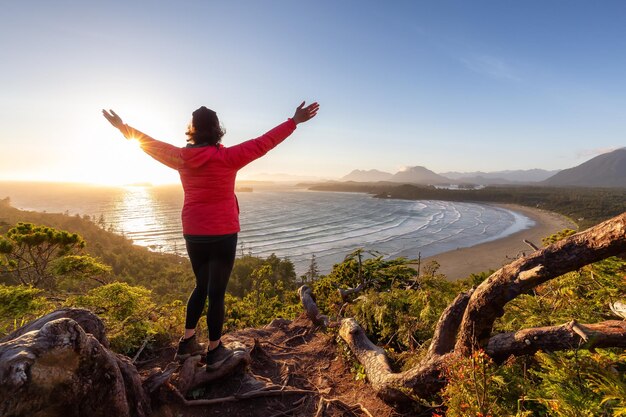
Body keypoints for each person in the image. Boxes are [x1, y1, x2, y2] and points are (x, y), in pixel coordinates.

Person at [102, 101, 319, 370]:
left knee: (200, 286)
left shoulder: (180, 157)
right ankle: (215, 350)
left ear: (192, 129)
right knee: (217, 293)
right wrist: (294, 121)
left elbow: (149, 144)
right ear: (218, 130)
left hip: (194, 231)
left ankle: (187, 341)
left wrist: (123, 128)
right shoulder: (229, 157)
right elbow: (264, 142)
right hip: (223, 232)